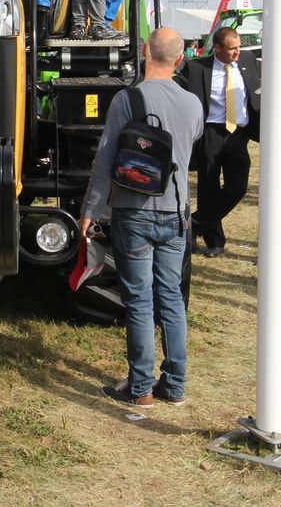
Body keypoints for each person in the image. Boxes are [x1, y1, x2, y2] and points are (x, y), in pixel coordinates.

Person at [79, 28, 203, 408]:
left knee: (138, 299)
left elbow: (105, 158)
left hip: (134, 211)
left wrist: (90, 210)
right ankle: (175, 384)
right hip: (176, 212)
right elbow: (190, 147)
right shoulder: (193, 103)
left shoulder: (127, 99)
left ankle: (140, 388)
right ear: (180, 59)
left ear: (146, 51)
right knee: (171, 298)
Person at [176, 26, 260, 257]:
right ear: (219, 48)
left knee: (237, 188)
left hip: (239, 133)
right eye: (233, 49)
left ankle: (194, 223)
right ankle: (214, 241)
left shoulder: (250, 60)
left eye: (239, 47)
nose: (238, 52)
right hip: (210, 132)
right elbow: (178, 88)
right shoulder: (197, 68)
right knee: (208, 186)